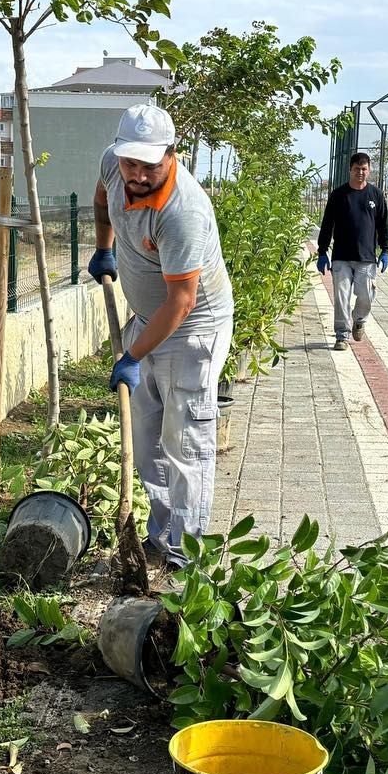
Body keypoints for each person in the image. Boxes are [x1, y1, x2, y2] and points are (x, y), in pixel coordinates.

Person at [88, 103, 233, 570]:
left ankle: (185, 553)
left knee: (184, 440)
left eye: (149, 164)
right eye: (131, 161)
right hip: (148, 321)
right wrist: (103, 249)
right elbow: (99, 199)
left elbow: (182, 302)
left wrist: (131, 354)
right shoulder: (114, 165)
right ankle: (158, 535)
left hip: (192, 330)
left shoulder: (182, 209)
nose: (138, 173)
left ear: (172, 154)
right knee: (148, 436)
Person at [316, 152, 388, 350]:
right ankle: (342, 335)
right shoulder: (339, 195)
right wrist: (322, 252)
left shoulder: (376, 195)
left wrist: (385, 250)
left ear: (369, 171)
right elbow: (327, 225)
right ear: (350, 169)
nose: (360, 172)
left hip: (366, 257)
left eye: (364, 169)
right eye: (357, 169)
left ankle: (359, 319)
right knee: (341, 297)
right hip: (341, 257)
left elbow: (384, 224)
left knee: (366, 295)